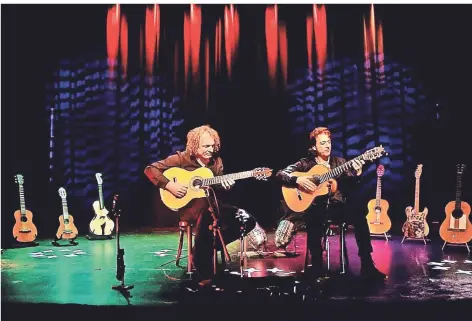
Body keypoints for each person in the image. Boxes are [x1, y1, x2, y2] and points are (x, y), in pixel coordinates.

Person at [144, 125, 266, 286]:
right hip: (184, 208)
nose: (211, 149)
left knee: (246, 220)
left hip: (212, 207)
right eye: (206, 146)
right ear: (195, 146)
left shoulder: (217, 163)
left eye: (213, 145)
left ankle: (206, 249)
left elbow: (217, 190)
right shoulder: (181, 159)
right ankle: (203, 271)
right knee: (205, 210)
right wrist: (169, 186)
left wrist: (225, 185)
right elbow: (150, 170)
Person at [275, 127, 386, 281]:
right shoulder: (305, 163)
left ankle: (367, 264)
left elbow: (351, 186)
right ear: (314, 146)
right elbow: (281, 174)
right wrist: (298, 180)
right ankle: (316, 266)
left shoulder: (339, 163)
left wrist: (358, 173)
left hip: (336, 207)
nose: (327, 146)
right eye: (322, 143)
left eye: (328, 142)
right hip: (313, 209)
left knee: (360, 215)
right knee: (315, 216)